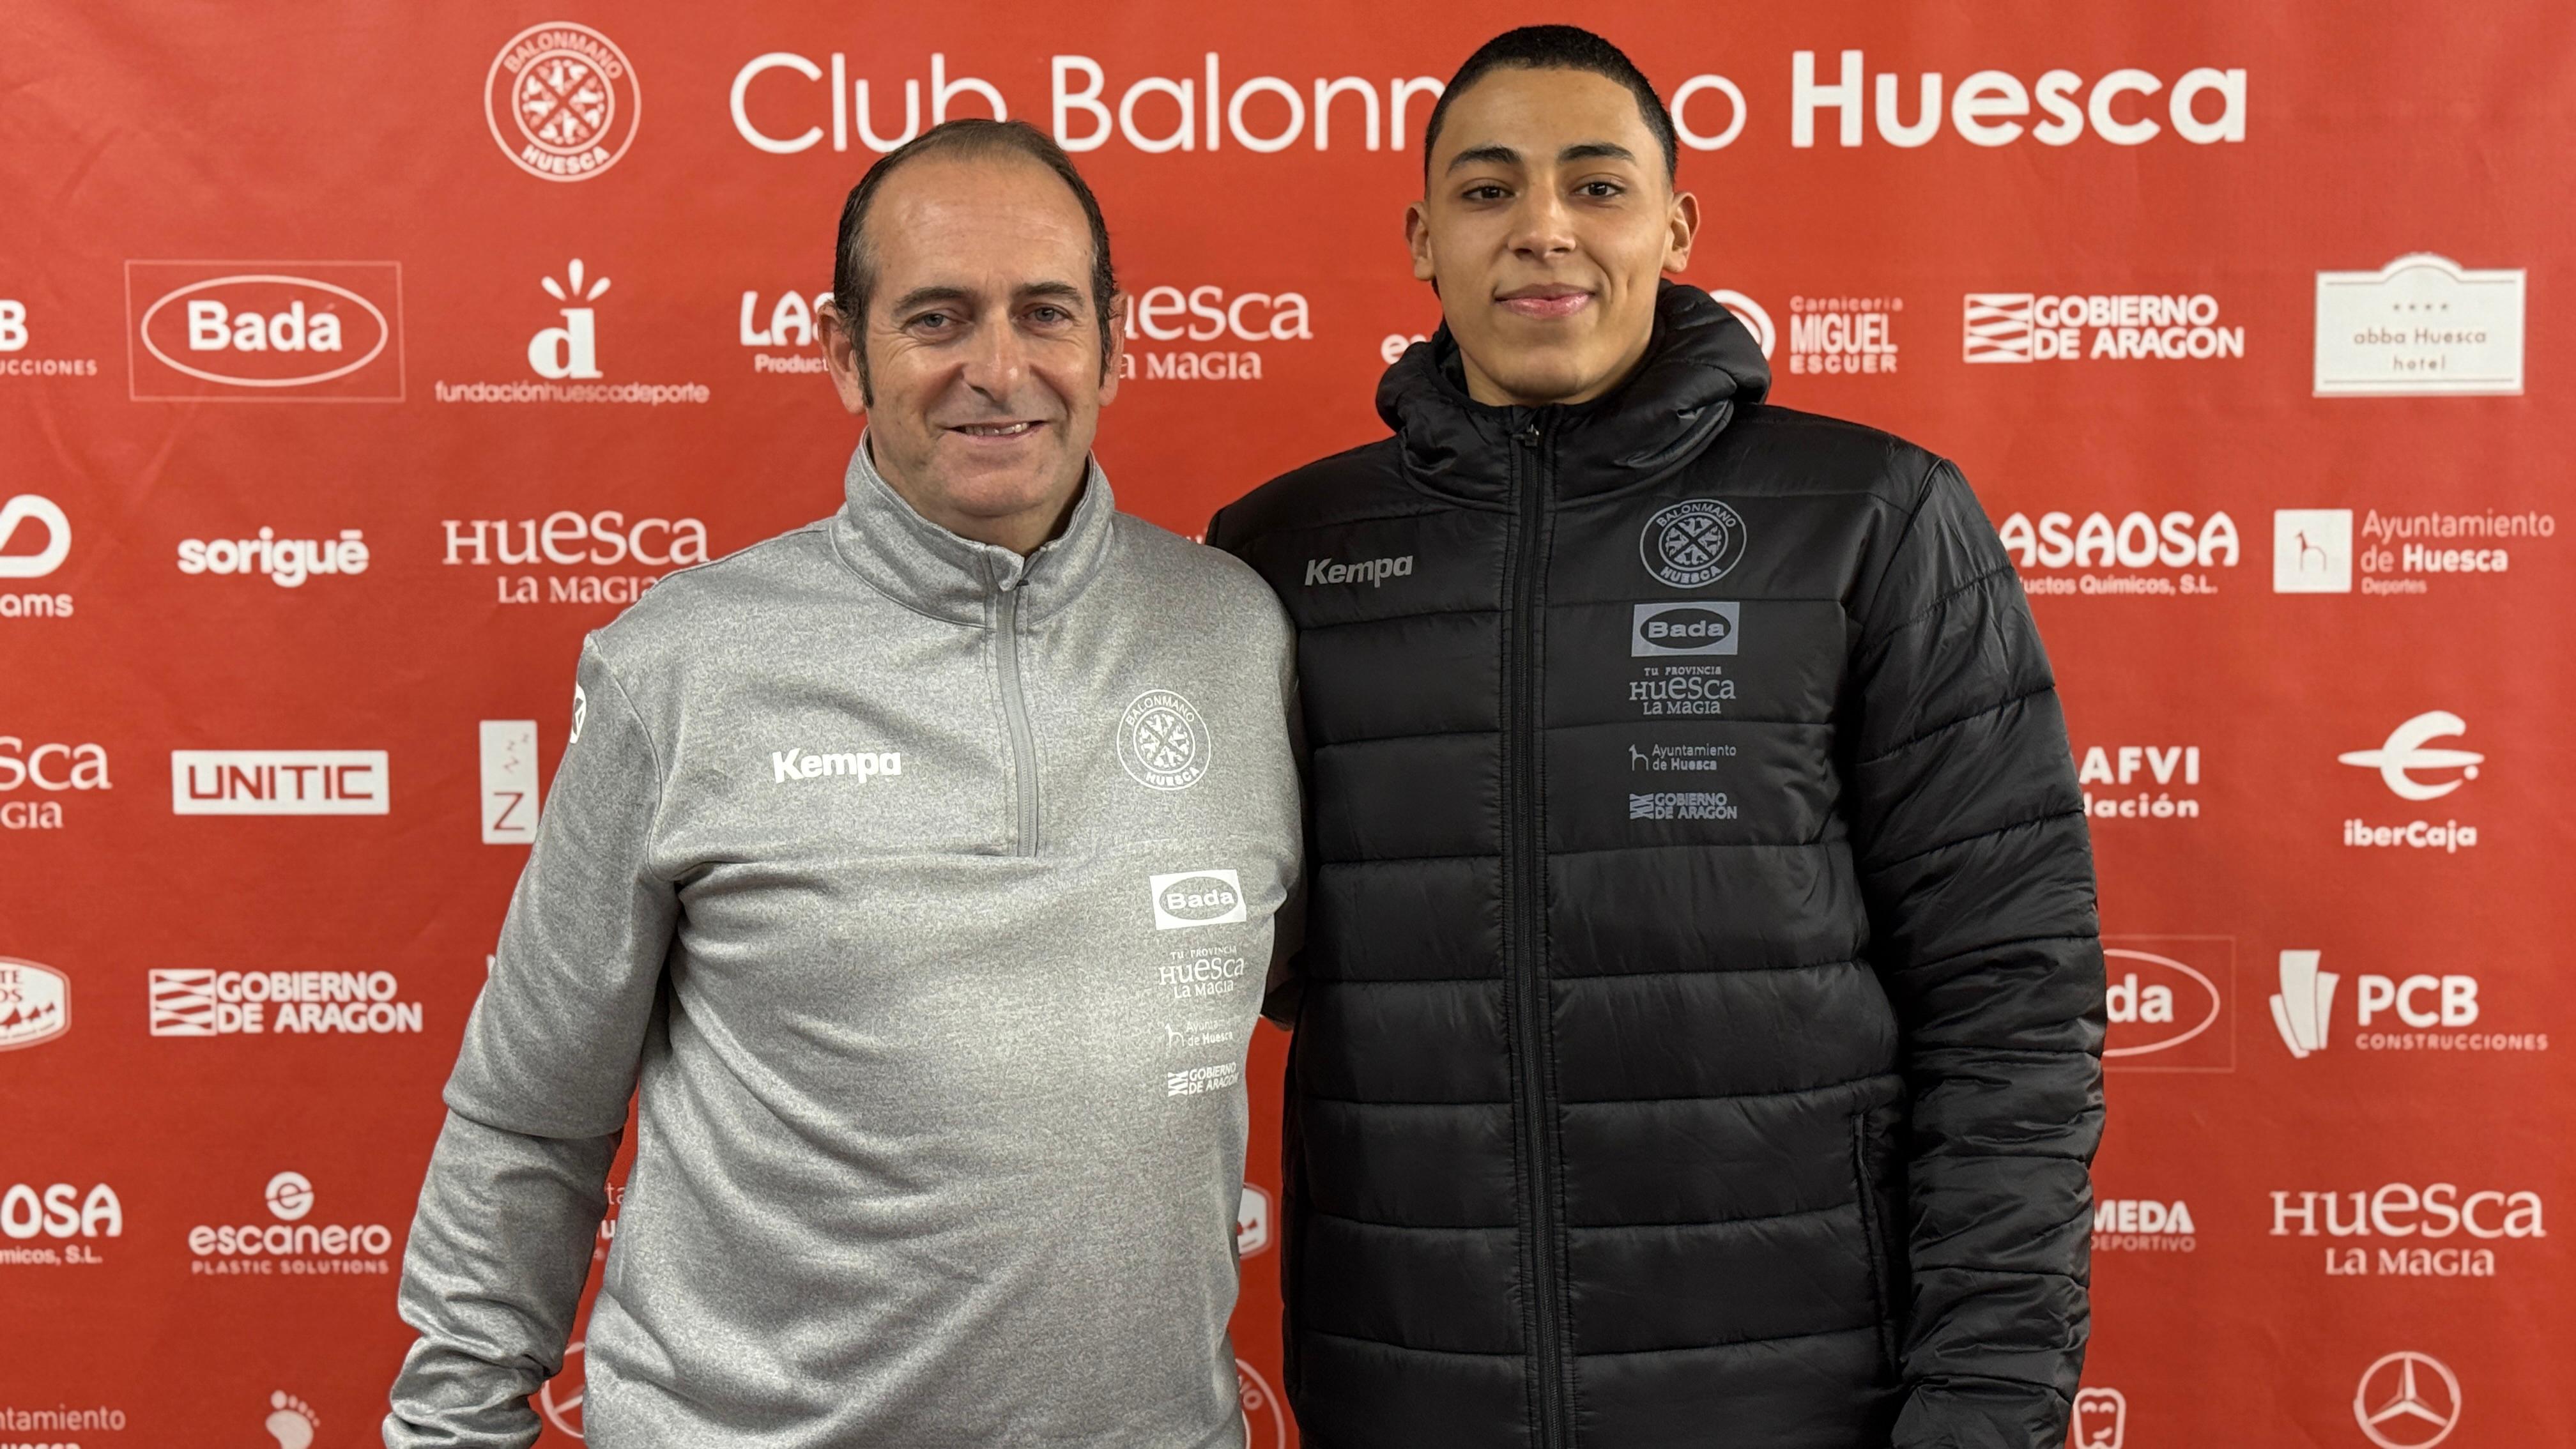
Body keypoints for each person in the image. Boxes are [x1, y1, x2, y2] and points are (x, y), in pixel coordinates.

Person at [1209, 26, 2104, 1449]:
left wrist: (1990, 1398)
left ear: (1677, 227)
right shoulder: (1282, 555)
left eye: (1598, 185)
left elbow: (2013, 998)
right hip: (1414, 1389)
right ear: (1421, 238)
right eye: (1489, 191)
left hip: (1802, 1394)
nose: (1544, 229)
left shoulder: (1870, 517)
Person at [387, 119, 1301, 1449]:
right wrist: (456, 1428)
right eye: (938, 317)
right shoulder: (682, 667)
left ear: (1113, 338)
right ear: (841, 351)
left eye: (1045, 312)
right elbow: (530, 1113)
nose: (1000, 369)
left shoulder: (1234, 636)